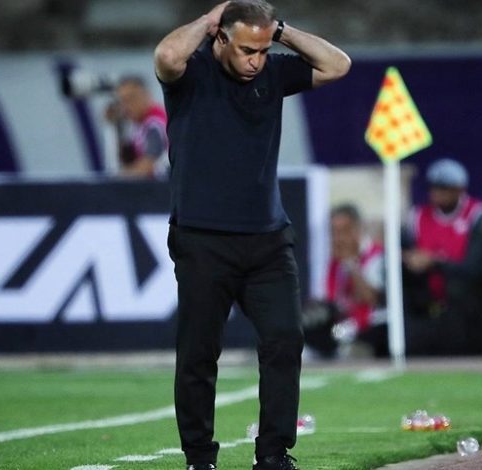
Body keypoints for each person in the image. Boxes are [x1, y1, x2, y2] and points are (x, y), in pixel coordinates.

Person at [154, 1, 350, 469]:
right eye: (247, 50)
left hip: (267, 239)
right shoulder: (191, 73)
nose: (256, 61)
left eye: (263, 50)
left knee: (285, 340)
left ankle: (274, 454)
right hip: (202, 238)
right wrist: (208, 20)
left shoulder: (273, 71)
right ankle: (200, 458)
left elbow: (337, 65)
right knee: (199, 353)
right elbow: (166, 56)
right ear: (220, 38)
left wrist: (279, 32)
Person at [402, 158, 482, 355]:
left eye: (444, 188)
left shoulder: (479, 216)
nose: (437, 193)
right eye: (434, 188)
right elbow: (404, 251)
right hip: (428, 294)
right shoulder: (417, 217)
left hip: (470, 296)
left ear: (459, 189)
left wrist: (435, 262)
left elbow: (472, 268)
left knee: (463, 285)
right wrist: (410, 259)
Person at [321, 204, 386, 357]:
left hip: (374, 327)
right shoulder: (334, 262)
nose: (339, 238)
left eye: (345, 231)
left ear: (358, 229)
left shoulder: (377, 255)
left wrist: (351, 264)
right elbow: (332, 300)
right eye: (334, 232)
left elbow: (370, 299)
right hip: (345, 327)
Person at [103, 76, 168, 178]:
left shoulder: (154, 124)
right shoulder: (137, 123)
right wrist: (113, 126)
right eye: (122, 101)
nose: (126, 106)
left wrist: (116, 178)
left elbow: (148, 166)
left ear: (146, 96)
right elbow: (125, 160)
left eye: (131, 99)